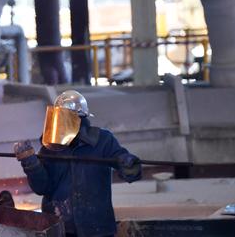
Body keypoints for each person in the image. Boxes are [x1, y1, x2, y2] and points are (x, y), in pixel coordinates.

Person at [14, 90, 141, 237]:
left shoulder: (102, 141)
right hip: (59, 227)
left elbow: (131, 173)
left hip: (96, 228)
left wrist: (128, 163)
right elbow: (42, 187)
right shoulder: (50, 148)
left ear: (78, 119)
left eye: (63, 118)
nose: (59, 123)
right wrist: (30, 163)